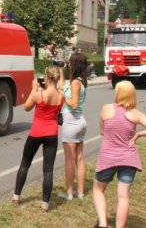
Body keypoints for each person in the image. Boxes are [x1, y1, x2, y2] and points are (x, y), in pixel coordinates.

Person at [92, 80, 146, 228]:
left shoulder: (106, 109)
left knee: (98, 189)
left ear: (118, 94)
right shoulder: (136, 114)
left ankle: (103, 223)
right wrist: (138, 135)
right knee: (123, 195)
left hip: (108, 158)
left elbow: (102, 131)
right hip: (129, 159)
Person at [12, 66, 65, 212]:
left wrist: (33, 89)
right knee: (48, 170)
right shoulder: (61, 96)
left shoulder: (39, 95)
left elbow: (27, 107)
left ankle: (16, 195)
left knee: (25, 163)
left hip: (36, 132)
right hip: (51, 133)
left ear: (47, 78)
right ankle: (45, 204)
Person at [58, 51, 88, 201]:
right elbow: (64, 85)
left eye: (70, 62)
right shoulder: (79, 81)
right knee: (80, 158)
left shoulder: (76, 83)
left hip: (71, 122)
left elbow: (74, 104)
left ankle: (69, 193)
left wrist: (63, 97)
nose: (69, 64)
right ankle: (81, 192)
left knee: (70, 159)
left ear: (75, 64)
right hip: (80, 122)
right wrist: (61, 72)